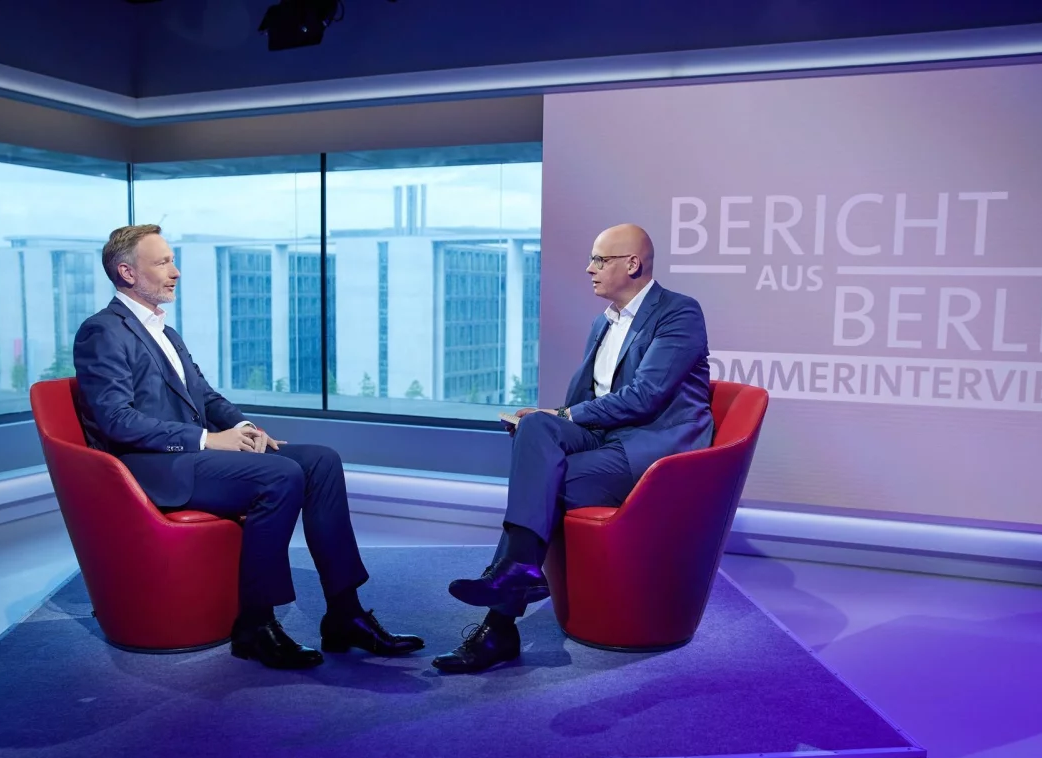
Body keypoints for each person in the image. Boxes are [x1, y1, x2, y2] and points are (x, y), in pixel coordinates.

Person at [73, 224, 423, 670]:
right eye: (162, 263)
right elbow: (116, 420)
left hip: (195, 457)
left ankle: (345, 613)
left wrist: (242, 427)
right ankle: (256, 624)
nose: (175, 272)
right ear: (127, 272)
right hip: (155, 469)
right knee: (281, 475)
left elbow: (205, 397)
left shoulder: (166, 332)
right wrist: (207, 439)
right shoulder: (102, 332)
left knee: (320, 461)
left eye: (173, 261)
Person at [431, 224, 714, 674]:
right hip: (607, 437)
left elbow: (645, 397)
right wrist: (547, 418)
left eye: (600, 259)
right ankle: (517, 577)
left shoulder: (678, 312)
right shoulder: (604, 322)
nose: (589, 268)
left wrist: (564, 415)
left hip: (652, 450)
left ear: (632, 264)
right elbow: (586, 400)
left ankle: (500, 622)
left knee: (545, 486)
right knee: (535, 427)